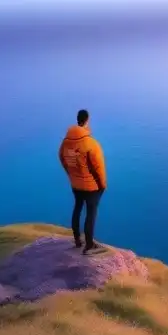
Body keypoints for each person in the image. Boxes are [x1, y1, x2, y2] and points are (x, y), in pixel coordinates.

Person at [58, 109, 107, 254]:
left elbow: (62, 158)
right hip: (91, 186)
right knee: (91, 212)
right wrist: (102, 185)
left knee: (77, 208)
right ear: (87, 120)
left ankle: (77, 240)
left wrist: (71, 174)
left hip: (75, 183)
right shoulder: (91, 143)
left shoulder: (65, 142)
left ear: (77, 119)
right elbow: (98, 167)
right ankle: (89, 246)